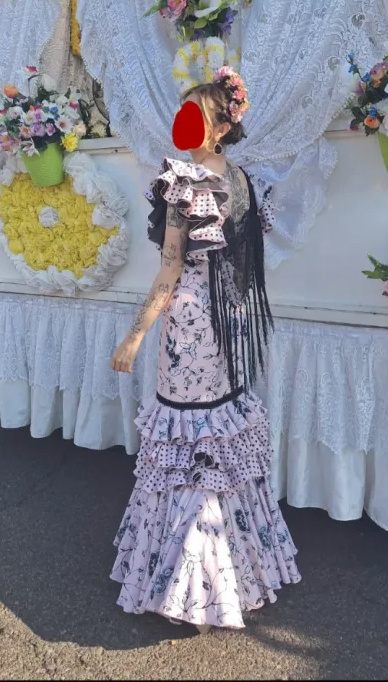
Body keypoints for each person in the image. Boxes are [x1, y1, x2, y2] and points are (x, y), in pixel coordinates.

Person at [110, 67, 301, 632]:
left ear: (217, 127)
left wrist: (136, 334)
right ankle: (235, 567)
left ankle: (187, 580)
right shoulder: (244, 181)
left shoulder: (184, 181)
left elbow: (170, 268)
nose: (183, 121)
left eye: (194, 112)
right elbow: (247, 261)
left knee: (188, 432)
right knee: (217, 433)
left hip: (191, 322)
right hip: (229, 319)